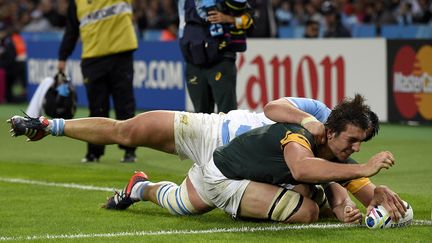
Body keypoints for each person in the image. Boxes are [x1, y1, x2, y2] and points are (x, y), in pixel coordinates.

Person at [8, 95, 407, 224]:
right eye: (352, 141)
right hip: (212, 132)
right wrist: (306, 118)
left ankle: (141, 187)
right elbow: (272, 107)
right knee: (126, 131)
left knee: (186, 206)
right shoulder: (316, 115)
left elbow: (342, 174)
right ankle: (49, 123)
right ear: (335, 126)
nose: (355, 147)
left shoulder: (338, 145)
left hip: (237, 168)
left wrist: (374, 193)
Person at [57, 0, 138, 163]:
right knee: (97, 108)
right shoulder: (77, 3)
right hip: (93, 60)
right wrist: (62, 56)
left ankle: (130, 151)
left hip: (120, 55)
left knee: (125, 106)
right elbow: (71, 30)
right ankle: (94, 153)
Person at [179, 0, 254, 113]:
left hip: (221, 60)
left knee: (227, 114)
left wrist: (229, 19)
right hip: (193, 61)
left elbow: (250, 22)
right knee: (200, 116)